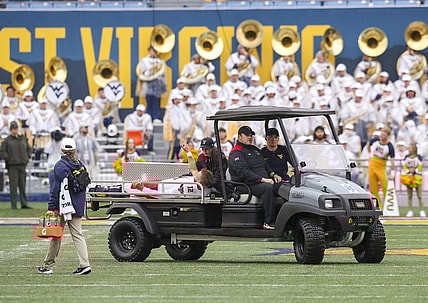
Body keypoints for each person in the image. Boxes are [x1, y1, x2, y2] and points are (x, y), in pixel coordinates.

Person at [37, 138, 91, 275]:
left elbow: (56, 189)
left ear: (62, 150)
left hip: (63, 205)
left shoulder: (60, 165)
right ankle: (85, 264)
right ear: (75, 150)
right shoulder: (80, 165)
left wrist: (51, 207)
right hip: (77, 205)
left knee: (56, 235)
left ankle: (48, 264)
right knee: (78, 235)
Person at [228, 126, 282, 230]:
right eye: (247, 135)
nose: (250, 137)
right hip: (245, 184)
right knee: (267, 188)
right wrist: (262, 179)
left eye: (251, 135)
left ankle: (283, 219)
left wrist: (272, 174)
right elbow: (244, 173)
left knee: (283, 188)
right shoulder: (236, 152)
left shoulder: (254, 149)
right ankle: (268, 222)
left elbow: (264, 164)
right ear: (239, 137)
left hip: (259, 182)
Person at [0, 121, 32, 209]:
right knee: (13, 186)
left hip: (22, 164)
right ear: (11, 130)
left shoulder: (22, 138)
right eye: (14, 129)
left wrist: (27, 157)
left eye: (16, 128)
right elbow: (2, 151)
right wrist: (8, 159)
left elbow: (29, 148)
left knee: (22, 186)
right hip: (12, 165)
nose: (15, 130)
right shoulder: (7, 140)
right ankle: (14, 205)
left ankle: (24, 204)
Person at [136, 46, 167, 123]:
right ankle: (149, 117)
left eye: (154, 51)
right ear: (149, 51)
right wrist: (148, 73)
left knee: (156, 100)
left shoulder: (160, 61)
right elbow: (142, 70)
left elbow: (162, 72)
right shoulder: (144, 60)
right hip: (148, 82)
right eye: (152, 51)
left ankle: (156, 117)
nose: (153, 52)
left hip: (157, 83)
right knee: (149, 100)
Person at [367, 127, 395, 209]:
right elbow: (369, 144)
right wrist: (369, 154)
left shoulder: (390, 146)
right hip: (372, 163)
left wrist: (391, 171)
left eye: (384, 134)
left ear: (388, 136)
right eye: (381, 134)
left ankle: (388, 205)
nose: (381, 136)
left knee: (385, 186)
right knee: (373, 187)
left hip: (381, 166)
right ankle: (379, 205)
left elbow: (392, 159)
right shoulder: (375, 140)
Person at [400, 143, 425, 217]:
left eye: (410, 148)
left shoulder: (419, 157)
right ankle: (410, 210)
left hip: (417, 177)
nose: (409, 149)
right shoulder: (406, 157)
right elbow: (404, 166)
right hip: (409, 178)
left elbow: (420, 166)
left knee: (419, 195)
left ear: (414, 149)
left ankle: (422, 210)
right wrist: (408, 171)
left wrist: (414, 171)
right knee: (409, 195)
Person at [44, 127, 66, 192]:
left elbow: (63, 152)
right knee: (52, 189)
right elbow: (47, 150)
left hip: (61, 168)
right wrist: (52, 140)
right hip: (52, 168)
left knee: (62, 189)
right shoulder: (50, 144)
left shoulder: (63, 143)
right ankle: (53, 202)